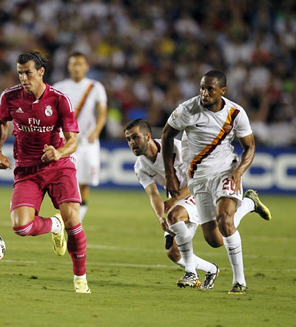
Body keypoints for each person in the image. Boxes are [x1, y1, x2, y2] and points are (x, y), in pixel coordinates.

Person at [162, 70, 272, 294]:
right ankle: (250, 204)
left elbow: (249, 147)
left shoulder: (235, 113)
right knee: (215, 239)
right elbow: (166, 136)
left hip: (225, 170)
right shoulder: (187, 110)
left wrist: (239, 171)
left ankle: (239, 281)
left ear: (223, 91)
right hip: (199, 179)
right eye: (202, 88)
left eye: (210, 89)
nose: (204, 93)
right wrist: (170, 175)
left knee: (224, 218)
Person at [125, 119, 268, 290]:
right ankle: (211, 268)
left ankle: (191, 273)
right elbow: (153, 194)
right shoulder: (140, 166)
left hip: (196, 191)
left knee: (175, 216)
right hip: (177, 200)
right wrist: (159, 217)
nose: (132, 143)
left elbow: (196, 176)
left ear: (148, 136)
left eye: (135, 137)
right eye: (128, 139)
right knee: (178, 251)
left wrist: (173, 201)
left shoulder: (176, 148)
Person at [0, 50, 90, 293]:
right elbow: (1, 121)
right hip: (26, 169)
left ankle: (80, 279)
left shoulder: (59, 99)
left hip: (58, 167)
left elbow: (73, 140)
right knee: (21, 227)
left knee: (74, 222)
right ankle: (54, 225)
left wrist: (58, 153)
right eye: (20, 73)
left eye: (28, 73)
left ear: (41, 72)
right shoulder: (9, 97)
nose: (23, 78)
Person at [54, 52, 107, 223]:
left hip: (88, 143)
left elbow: (102, 112)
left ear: (86, 67)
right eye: (73, 64)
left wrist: (96, 131)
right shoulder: (59, 87)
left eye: (80, 64)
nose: (77, 67)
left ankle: (77, 220)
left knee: (85, 182)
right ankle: (68, 217)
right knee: (69, 181)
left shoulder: (95, 86)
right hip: (67, 142)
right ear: (68, 67)